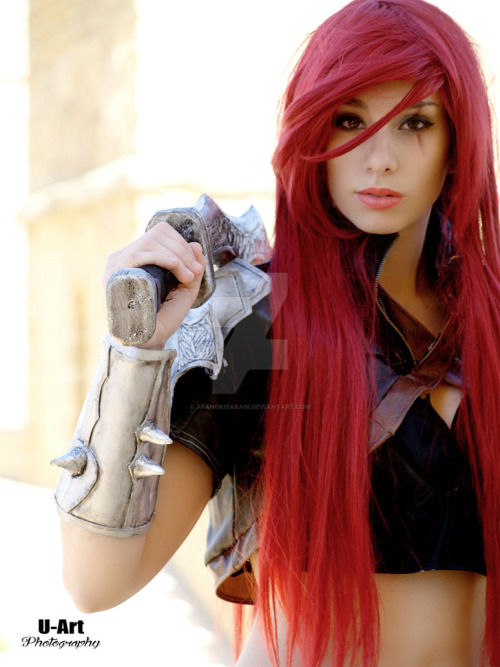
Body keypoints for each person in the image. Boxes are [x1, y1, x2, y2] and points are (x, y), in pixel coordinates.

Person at [51, 0, 500, 664]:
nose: (379, 158)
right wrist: (133, 350)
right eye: (349, 120)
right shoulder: (260, 325)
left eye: (415, 122)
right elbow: (95, 582)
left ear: (457, 142)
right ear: (312, 136)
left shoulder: (489, 325)